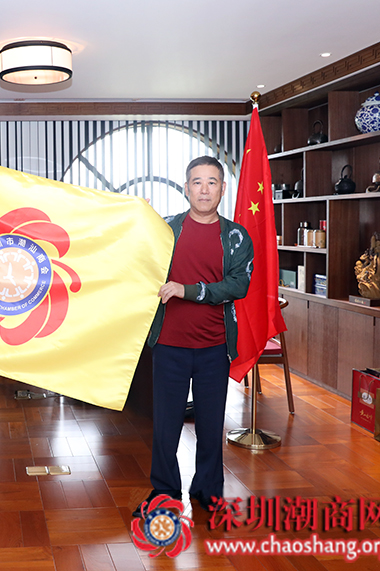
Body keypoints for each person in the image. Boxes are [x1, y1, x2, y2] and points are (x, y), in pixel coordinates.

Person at [142, 156, 253, 513]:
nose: (204, 190)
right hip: (168, 345)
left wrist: (186, 290)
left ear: (223, 188)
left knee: (210, 424)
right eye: (197, 182)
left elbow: (237, 286)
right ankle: (164, 492)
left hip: (214, 347)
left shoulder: (236, 237)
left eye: (212, 182)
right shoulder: (166, 229)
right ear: (186, 188)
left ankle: (207, 491)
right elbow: (137, 261)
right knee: (165, 425)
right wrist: (137, 219)